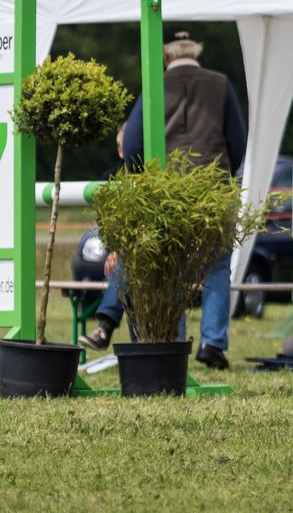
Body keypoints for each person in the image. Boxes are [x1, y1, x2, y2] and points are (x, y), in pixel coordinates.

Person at [116, 27, 248, 370]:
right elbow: (238, 140)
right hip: (213, 190)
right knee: (217, 266)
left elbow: (131, 144)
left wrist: (143, 179)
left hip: (167, 191)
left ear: (166, 56)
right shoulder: (220, 84)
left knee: (170, 265)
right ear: (196, 54)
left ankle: (174, 341)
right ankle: (213, 343)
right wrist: (223, 173)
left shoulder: (154, 86)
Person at [78, 124, 130, 351]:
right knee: (123, 263)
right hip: (119, 252)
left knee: (125, 262)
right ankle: (106, 325)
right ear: (120, 150)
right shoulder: (108, 178)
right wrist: (114, 249)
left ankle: (105, 326)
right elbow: (106, 224)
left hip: (139, 251)